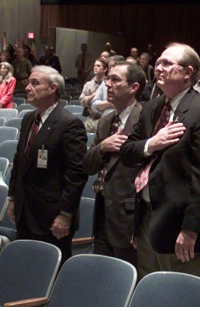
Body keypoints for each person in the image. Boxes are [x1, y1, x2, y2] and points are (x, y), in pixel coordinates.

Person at [120, 43, 200, 282]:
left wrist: (191, 229)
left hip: (182, 229)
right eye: (158, 63)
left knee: (183, 297)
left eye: (167, 63)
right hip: (148, 220)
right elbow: (127, 152)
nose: (159, 68)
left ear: (188, 72)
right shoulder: (152, 107)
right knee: (152, 294)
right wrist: (151, 144)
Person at [6, 66, 87, 262]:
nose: (27, 88)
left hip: (51, 217)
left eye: (35, 83)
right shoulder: (28, 119)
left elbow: (76, 174)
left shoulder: (69, 123)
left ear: (52, 89)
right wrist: (12, 197)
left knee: (50, 273)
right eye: (29, 83)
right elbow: (19, 161)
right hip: (25, 211)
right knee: (26, 270)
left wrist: (65, 214)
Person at [83, 62, 145, 266]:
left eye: (115, 79)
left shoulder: (146, 120)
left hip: (130, 217)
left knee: (128, 277)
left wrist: (141, 225)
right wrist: (103, 147)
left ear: (134, 87)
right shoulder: (105, 121)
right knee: (103, 274)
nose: (108, 84)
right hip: (102, 210)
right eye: (108, 79)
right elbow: (88, 165)